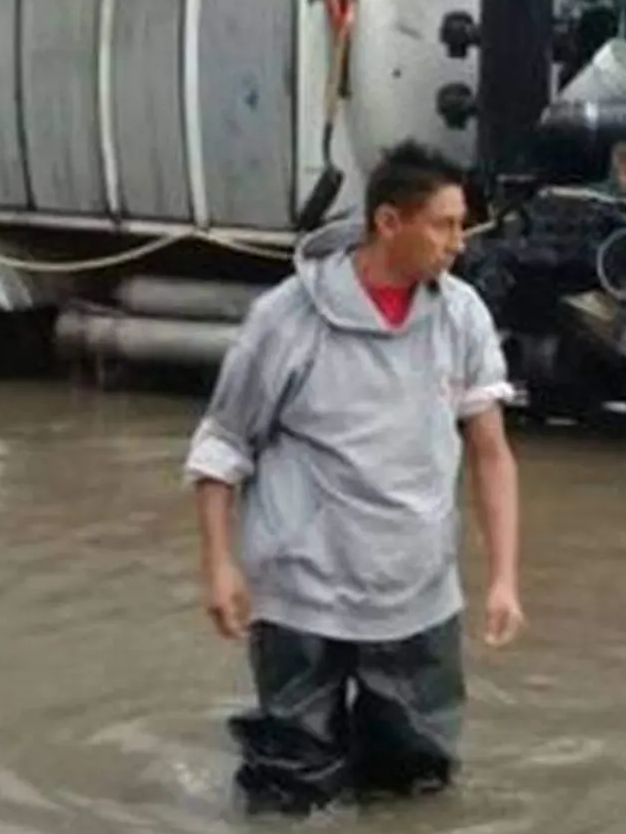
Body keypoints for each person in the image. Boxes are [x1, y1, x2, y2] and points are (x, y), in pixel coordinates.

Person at [182, 140, 524, 816]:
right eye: (445, 224)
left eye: (464, 225)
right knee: (291, 782)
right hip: (301, 586)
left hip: (416, 585)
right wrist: (220, 567)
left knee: (415, 782)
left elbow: (491, 452)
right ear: (389, 223)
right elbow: (222, 447)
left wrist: (504, 577)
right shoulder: (286, 319)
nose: (460, 242)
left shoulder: (461, 315)